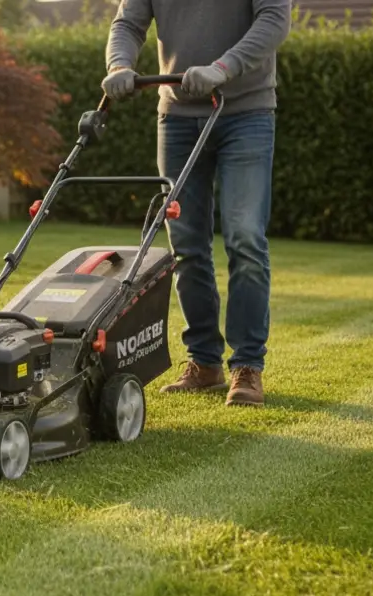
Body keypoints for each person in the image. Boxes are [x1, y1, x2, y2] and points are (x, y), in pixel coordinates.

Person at [102, 0, 290, 407]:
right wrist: (119, 65)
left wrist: (223, 67)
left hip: (246, 112)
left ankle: (247, 365)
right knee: (186, 245)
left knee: (245, 238)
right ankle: (204, 362)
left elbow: (274, 20)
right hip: (177, 117)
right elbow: (128, 24)